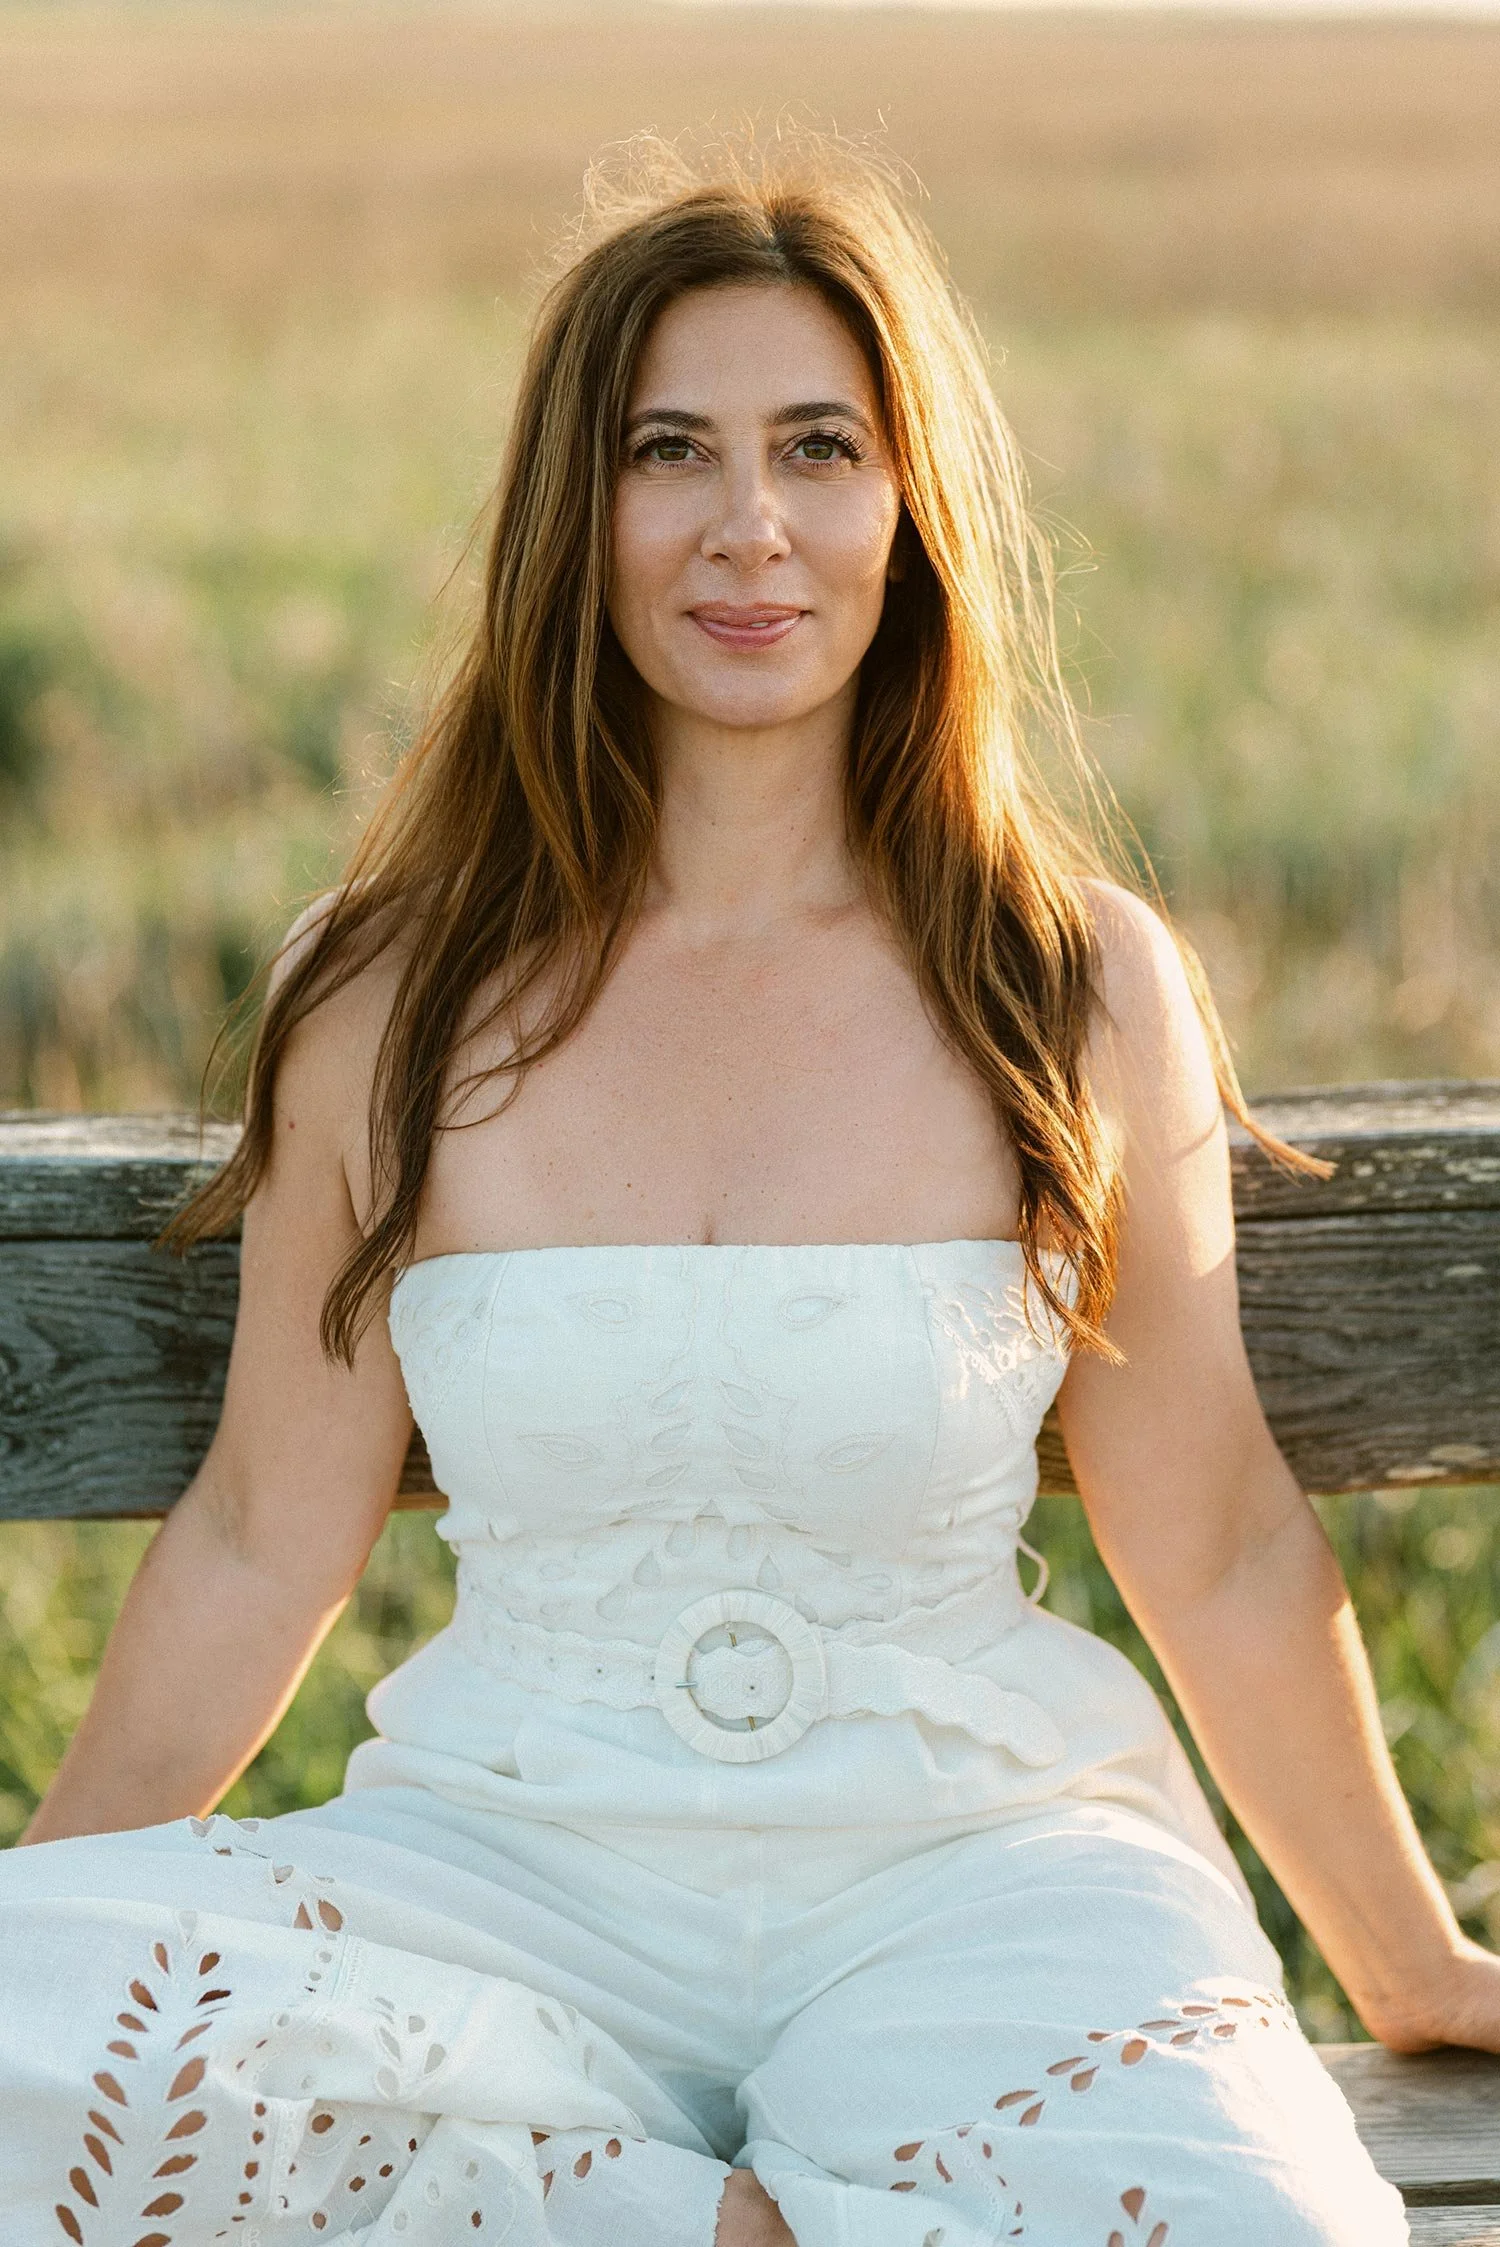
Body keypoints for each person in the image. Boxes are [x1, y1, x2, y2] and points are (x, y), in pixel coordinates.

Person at [1, 135, 1490, 2247]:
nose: (751, 529)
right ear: (573, 513)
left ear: (910, 506)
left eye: (819, 446)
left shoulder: (1062, 981)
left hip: (975, 1871)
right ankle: (702, 2222)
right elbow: (259, 1534)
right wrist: (50, 1929)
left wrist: (1413, 1969)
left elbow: (1227, 1540)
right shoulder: (384, 989)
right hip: (511, 1865)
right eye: (670, 451)